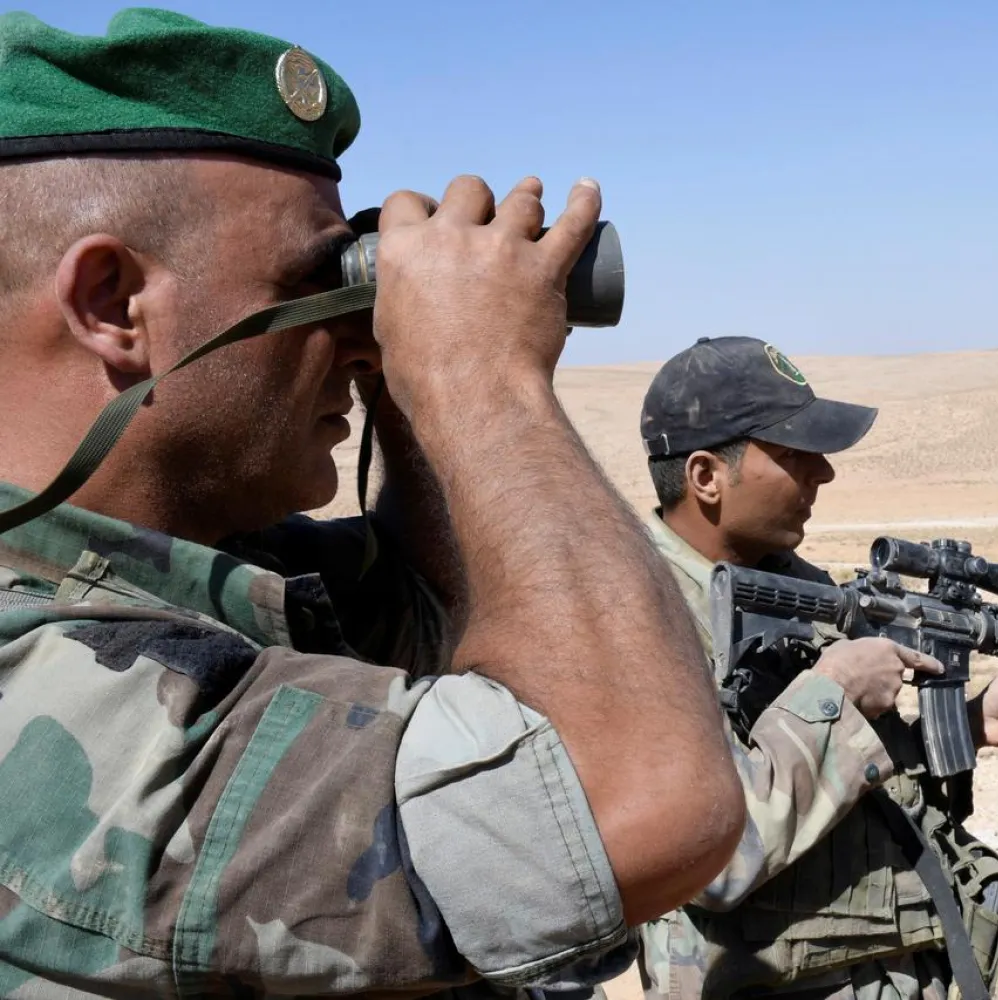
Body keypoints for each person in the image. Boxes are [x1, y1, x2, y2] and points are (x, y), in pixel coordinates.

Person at [0, 9, 746, 996]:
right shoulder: (37, 679)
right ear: (113, 302)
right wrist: (481, 378)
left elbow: (465, 633)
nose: (359, 340)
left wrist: (411, 372)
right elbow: (638, 800)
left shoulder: (205, 574)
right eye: (318, 285)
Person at [632, 335, 998, 1000]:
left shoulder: (796, 588)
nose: (824, 473)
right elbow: (705, 854)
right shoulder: (634, 616)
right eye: (794, 454)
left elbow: (825, 783)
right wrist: (834, 693)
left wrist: (966, 728)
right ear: (705, 477)